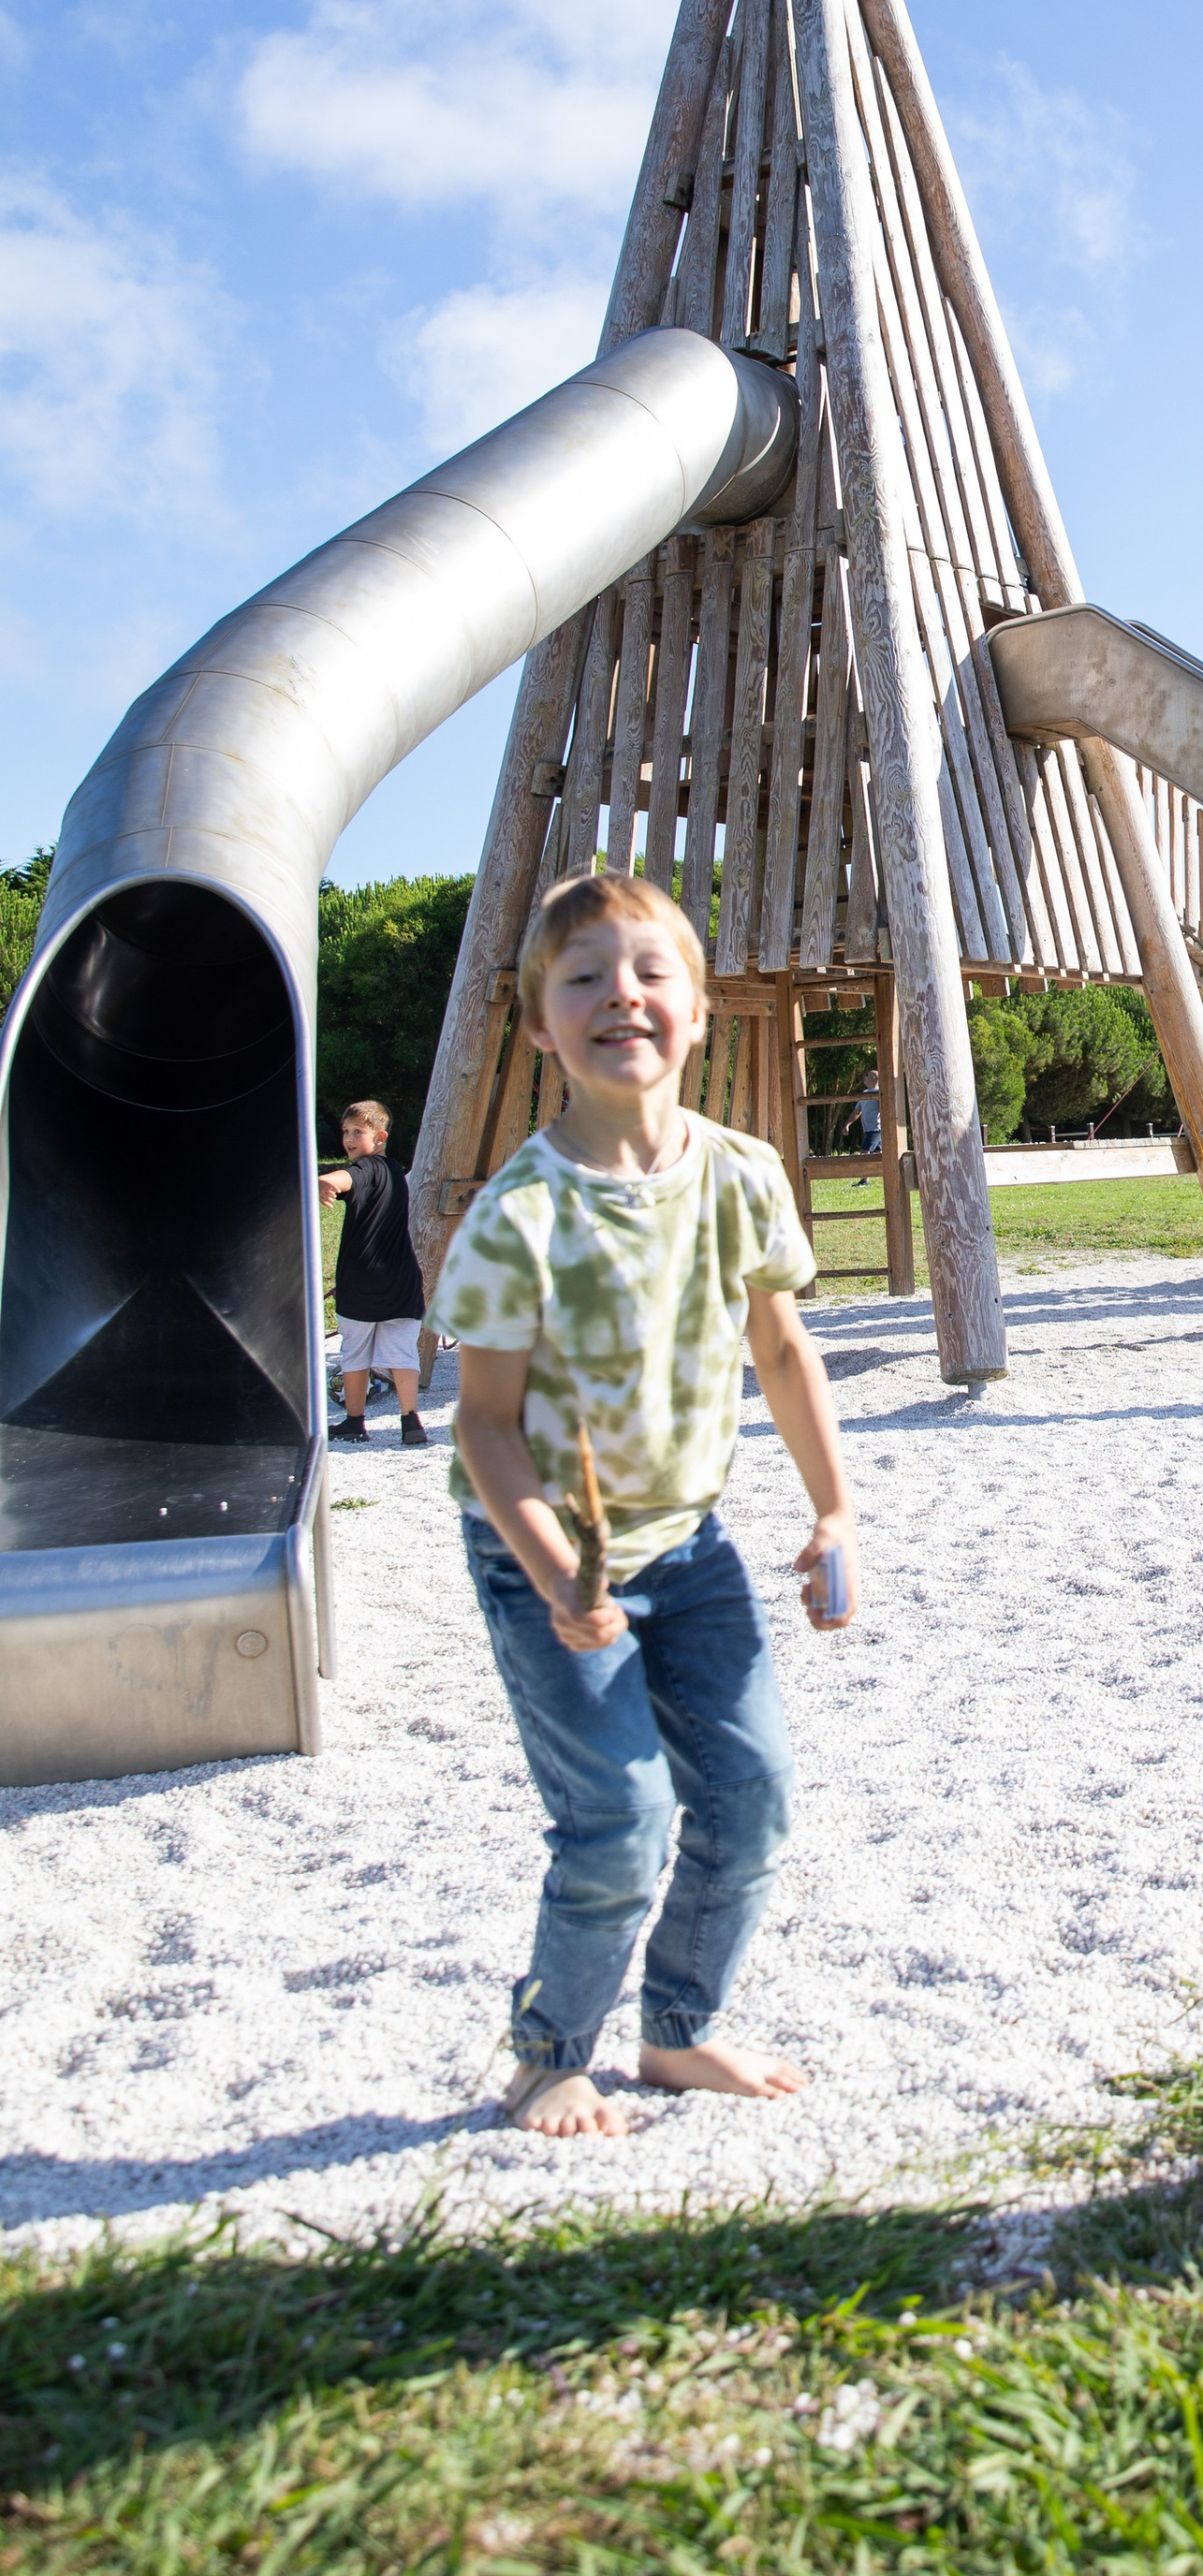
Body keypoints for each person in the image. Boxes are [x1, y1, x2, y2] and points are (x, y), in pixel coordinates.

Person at [429, 868, 860, 2139]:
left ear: (701, 1006)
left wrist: (834, 1510)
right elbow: (485, 1426)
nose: (622, 995)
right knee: (620, 1818)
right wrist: (563, 1574)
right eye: (584, 980)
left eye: (650, 971)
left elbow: (781, 1352)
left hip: (697, 1543)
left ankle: (680, 2033)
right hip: (551, 1558)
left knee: (752, 1796)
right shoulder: (520, 1216)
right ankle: (548, 2053)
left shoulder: (741, 1176)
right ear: (540, 1023)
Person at [318, 1101, 426, 1448]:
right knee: (403, 1353)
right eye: (346, 1131)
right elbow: (346, 1171)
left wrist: (326, 1181)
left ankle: (354, 1421)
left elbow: (346, 1176)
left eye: (357, 1132)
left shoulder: (364, 1170)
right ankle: (411, 1421)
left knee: (355, 1354)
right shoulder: (393, 1170)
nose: (348, 1138)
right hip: (402, 1280)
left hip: (361, 1280)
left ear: (379, 1137)